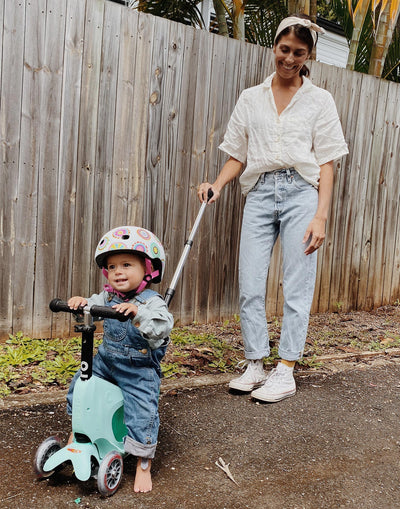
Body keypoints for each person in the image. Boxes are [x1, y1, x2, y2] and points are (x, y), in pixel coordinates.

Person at [198, 16, 348, 403]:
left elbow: (328, 162)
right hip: (261, 192)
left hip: (302, 192)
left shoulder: (320, 100)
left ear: (308, 54)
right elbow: (237, 155)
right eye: (285, 50)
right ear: (274, 48)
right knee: (250, 281)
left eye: (299, 53)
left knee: (297, 282)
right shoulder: (251, 98)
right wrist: (216, 184)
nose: (290, 59)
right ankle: (254, 363)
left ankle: (286, 369)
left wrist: (321, 216)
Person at [66, 226, 174, 492]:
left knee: (141, 412)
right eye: (112, 267)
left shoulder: (152, 302)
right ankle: (78, 436)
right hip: (106, 362)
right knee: (80, 386)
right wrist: (82, 303)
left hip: (138, 369)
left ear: (147, 269)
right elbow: (94, 305)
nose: (118, 272)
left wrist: (138, 313)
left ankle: (143, 462)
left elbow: (163, 326)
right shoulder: (108, 296)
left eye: (126, 264)